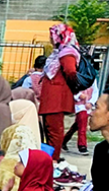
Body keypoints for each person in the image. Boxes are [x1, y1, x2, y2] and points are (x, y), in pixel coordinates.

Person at [39, 23, 80, 163]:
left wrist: (69, 87)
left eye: (53, 35)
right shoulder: (59, 52)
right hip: (53, 98)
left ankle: (53, 159)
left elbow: (71, 71)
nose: (51, 38)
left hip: (56, 99)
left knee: (54, 130)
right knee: (50, 129)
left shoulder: (67, 52)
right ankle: (50, 158)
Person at [63, 82, 98, 156]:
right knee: (82, 126)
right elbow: (71, 88)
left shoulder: (92, 78)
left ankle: (64, 140)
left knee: (77, 125)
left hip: (87, 105)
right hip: (79, 106)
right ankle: (82, 145)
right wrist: (78, 95)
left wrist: (91, 102)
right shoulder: (78, 76)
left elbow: (95, 91)